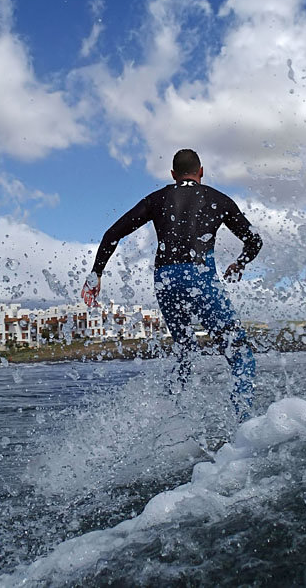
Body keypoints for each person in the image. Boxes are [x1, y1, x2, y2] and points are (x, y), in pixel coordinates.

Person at [82, 149, 263, 420]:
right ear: (201, 171)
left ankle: (170, 418)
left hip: (165, 279)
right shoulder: (218, 199)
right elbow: (254, 241)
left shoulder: (157, 199)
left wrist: (96, 274)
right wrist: (239, 264)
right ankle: (246, 424)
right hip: (199, 277)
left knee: (185, 350)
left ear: (173, 175)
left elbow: (112, 234)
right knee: (239, 354)